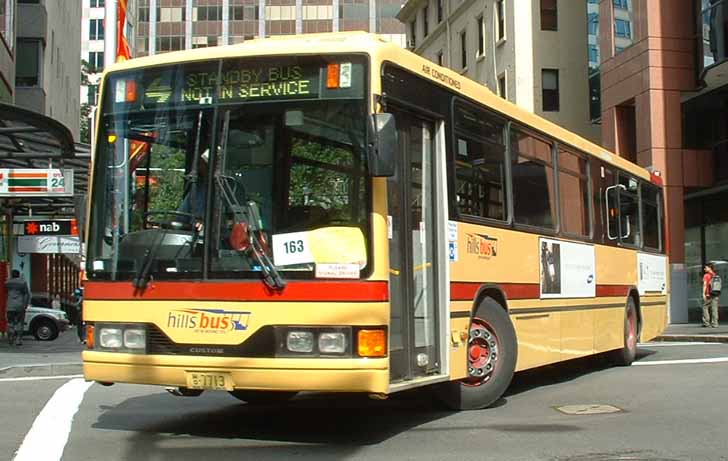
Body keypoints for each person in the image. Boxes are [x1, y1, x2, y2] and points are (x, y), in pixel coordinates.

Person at [6, 270, 30, 346]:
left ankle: (11, 334)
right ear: (18, 275)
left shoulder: (7, 283)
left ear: (12, 275)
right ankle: (18, 340)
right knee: (20, 322)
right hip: (20, 305)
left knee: (10, 322)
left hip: (10, 305)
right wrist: (25, 305)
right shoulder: (23, 283)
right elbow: (26, 294)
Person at [702, 263, 720, 328]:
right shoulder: (715, 275)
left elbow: (704, 285)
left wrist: (703, 293)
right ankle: (715, 323)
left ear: (710, 268)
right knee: (714, 309)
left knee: (705, 307)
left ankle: (706, 322)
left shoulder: (706, 275)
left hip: (708, 294)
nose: (704, 269)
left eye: (706, 267)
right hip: (715, 294)